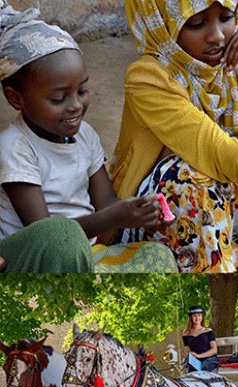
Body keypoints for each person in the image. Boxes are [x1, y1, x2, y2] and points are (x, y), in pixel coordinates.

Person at [112, 0, 238, 273]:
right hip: (159, 216)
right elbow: (216, 150)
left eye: (226, 17)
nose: (217, 36)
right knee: (189, 175)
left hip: (224, 199)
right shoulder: (147, 78)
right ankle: (213, 276)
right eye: (196, 23)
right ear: (162, 25)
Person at [0, 3, 173, 272]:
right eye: (58, 98)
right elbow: (46, 235)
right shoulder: (15, 146)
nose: (76, 106)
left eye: (82, 90)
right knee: (62, 235)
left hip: (87, 255)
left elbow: (105, 202)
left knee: (158, 256)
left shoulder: (85, 134)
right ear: (15, 98)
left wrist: (136, 212)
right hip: (37, 261)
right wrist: (113, 218)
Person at [182, 305, 219, 372]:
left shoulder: (208, 331)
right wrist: (193, 356)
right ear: (191, 318)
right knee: (192, 372)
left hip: (209, 358)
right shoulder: (186, 334)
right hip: (196, 359)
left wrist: (199, 356)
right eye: (194, 316)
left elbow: (214, 350)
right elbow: (189, 351)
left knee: (203, 368)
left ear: (202, 317)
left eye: (199, 315)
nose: (197, 318)